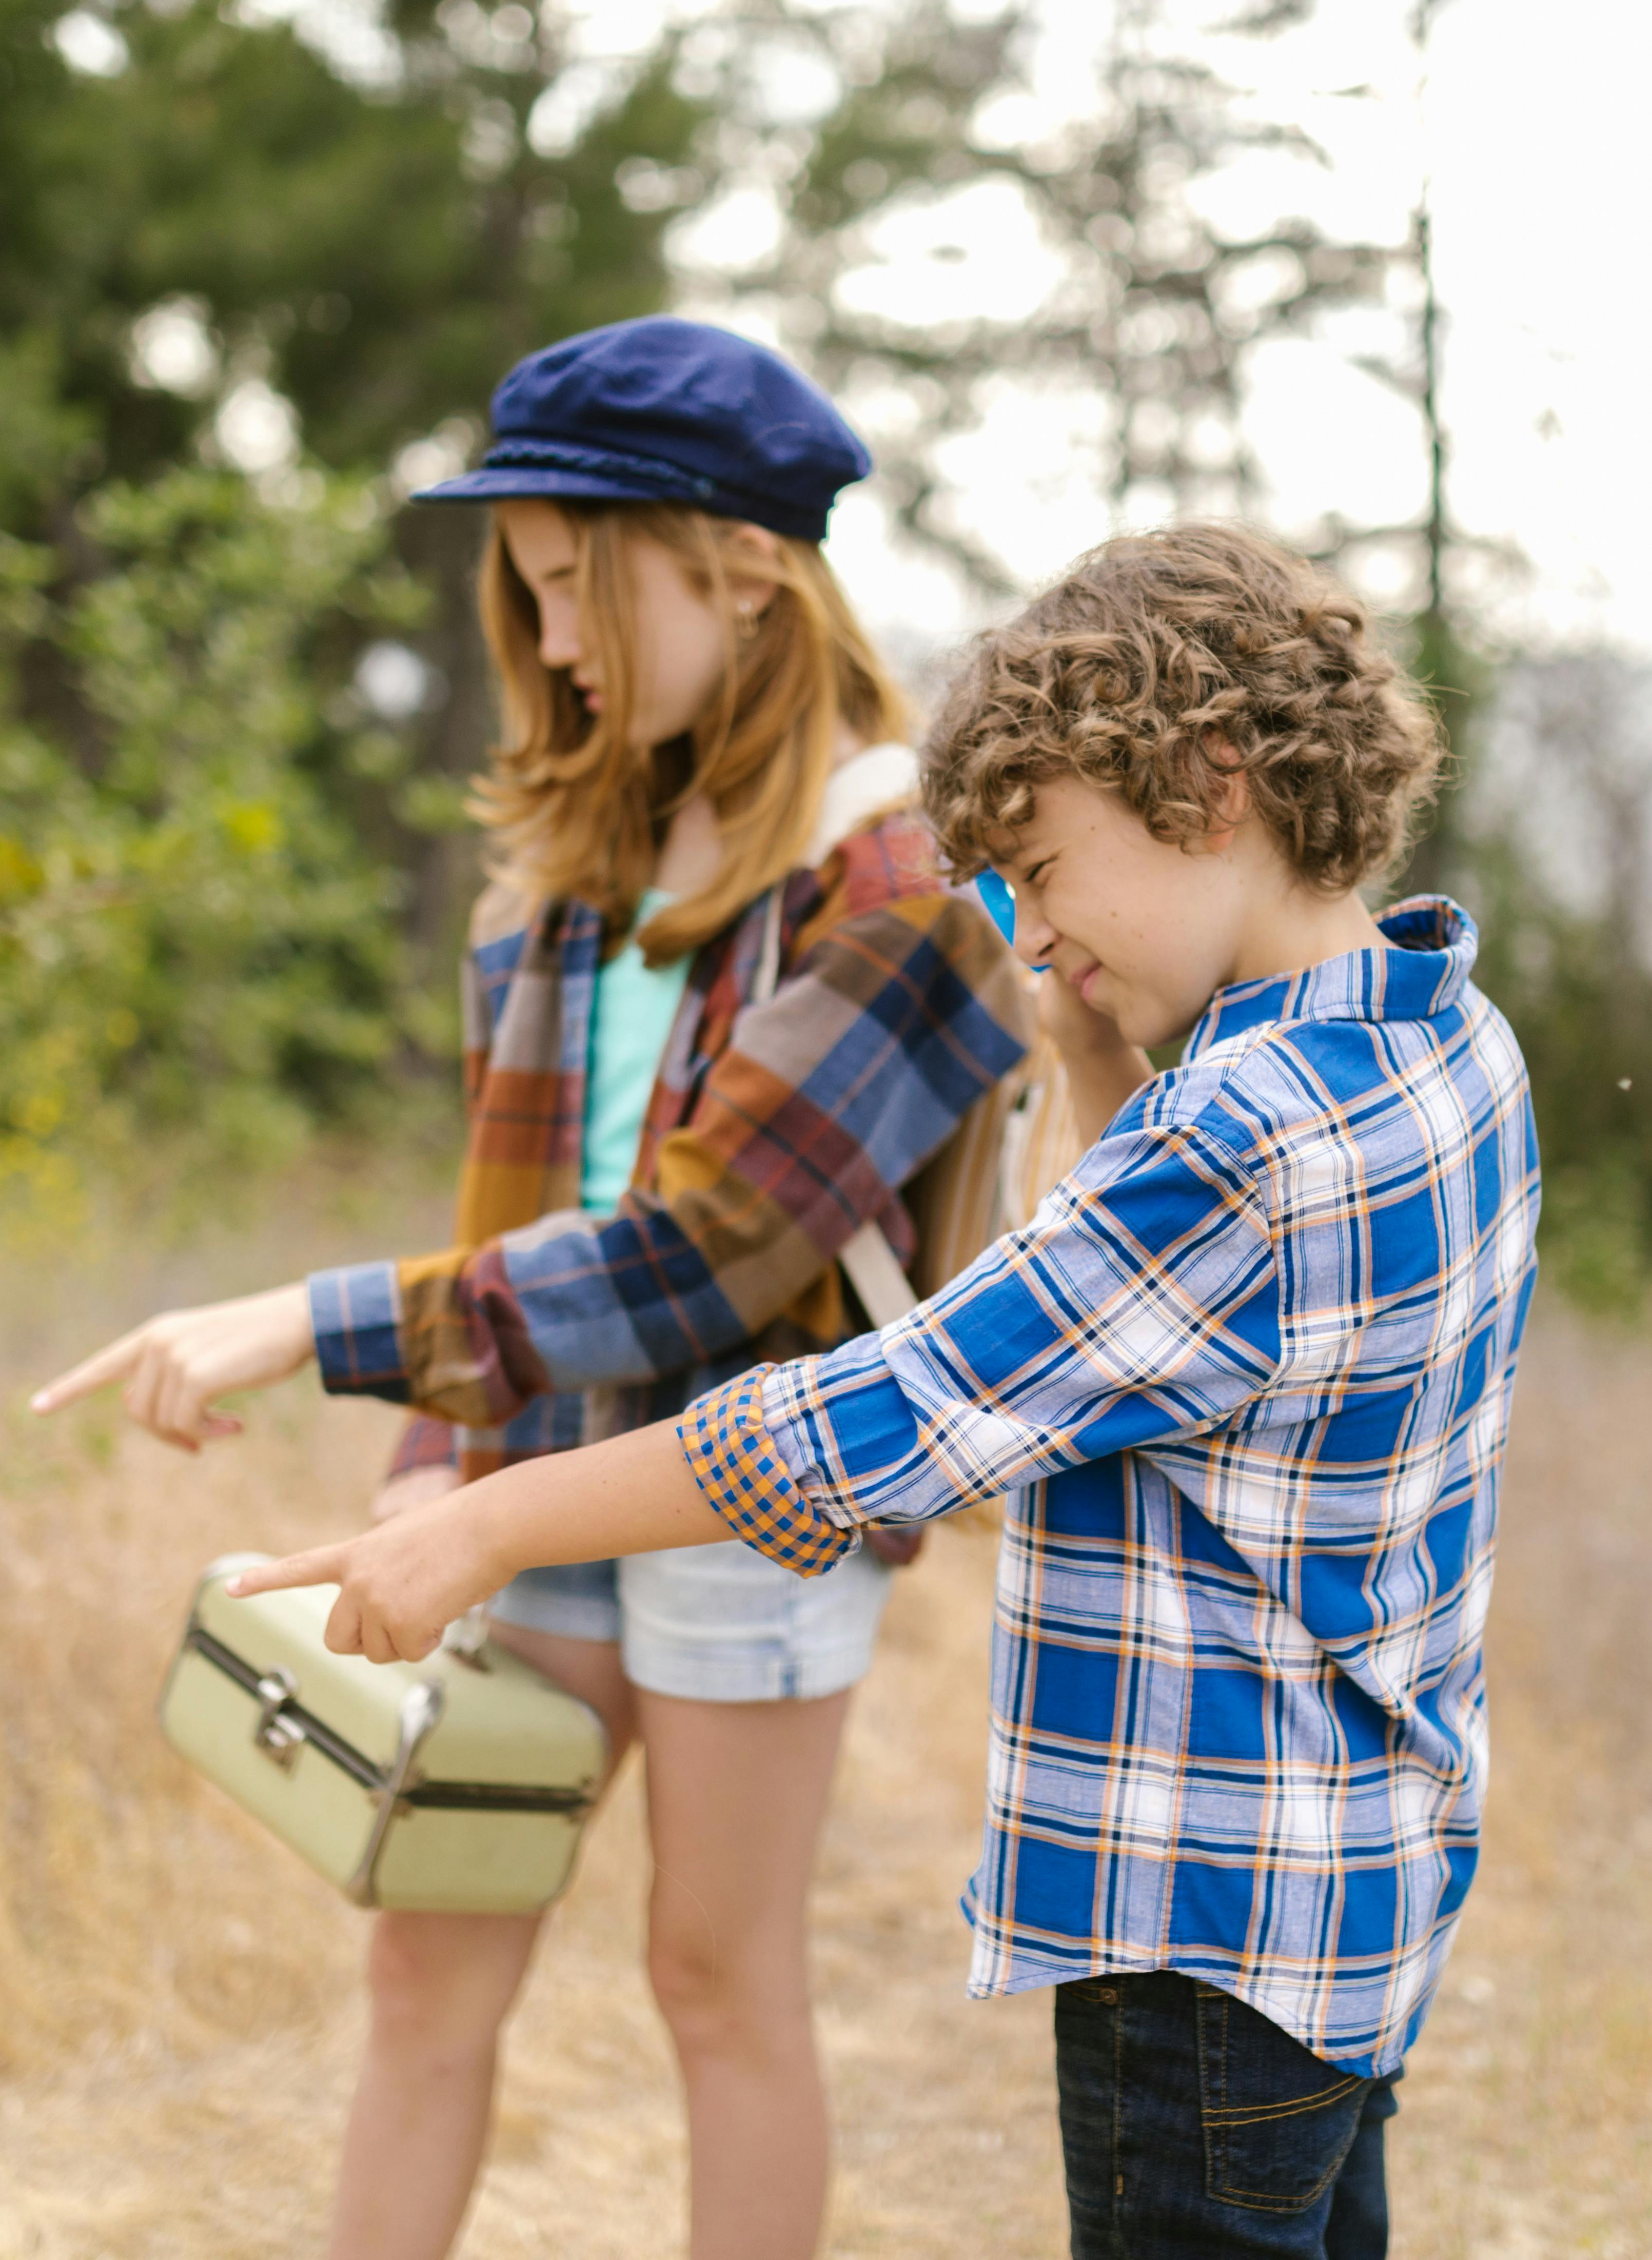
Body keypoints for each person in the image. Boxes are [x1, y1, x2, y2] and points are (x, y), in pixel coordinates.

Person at [228, 523, 1545, 2259]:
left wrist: (480, 1523)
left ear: (1213, 783)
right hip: (1354, 1894)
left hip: (1202, 1933)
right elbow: (1135, 1337)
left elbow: (876, 1421)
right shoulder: (1441, 1037)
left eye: (1047, 871)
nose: (1031, 929)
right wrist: (1087, 1040)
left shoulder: (1233, 1148)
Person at [32, 316, 1036, 2260]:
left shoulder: (906, 882)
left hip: (755, 1490)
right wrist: (434, 1450)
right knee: (426, 1975)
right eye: (532, 597)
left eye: (579, 585)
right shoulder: (580, 851)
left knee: (714, 1982)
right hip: (524, 1472)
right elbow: (511, 1193)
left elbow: (705, 1249)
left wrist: (303, 1326)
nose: (557, 644)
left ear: (743, 565)